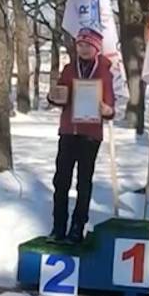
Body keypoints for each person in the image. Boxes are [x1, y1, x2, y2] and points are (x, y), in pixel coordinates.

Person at [45, 28, 115, 243]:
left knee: (83, 182)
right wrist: (53, 97)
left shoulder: (104, 72)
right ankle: (58, 227)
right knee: (61, 181)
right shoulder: (68, 69)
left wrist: (106, 110)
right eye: (80, 45)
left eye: (88, 46)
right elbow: (60, 95)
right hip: (68, 131)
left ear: (96, 48)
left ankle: (77, 227)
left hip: (90, 134)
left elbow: (111, 106)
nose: (83, 49)